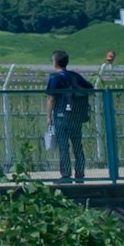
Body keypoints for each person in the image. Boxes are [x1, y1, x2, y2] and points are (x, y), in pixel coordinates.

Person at [44, 48, 95, 183]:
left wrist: (48, 116)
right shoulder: (74, 76)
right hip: (76, 116)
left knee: (63, 146)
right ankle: (80, 174)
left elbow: (51, 98)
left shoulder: (54, 78)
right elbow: (90, 88)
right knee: (77, 145)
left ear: (55, 62)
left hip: (61, 116)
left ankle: (66, 174)